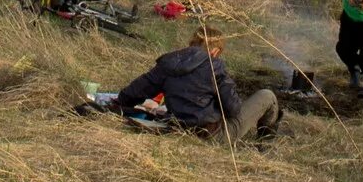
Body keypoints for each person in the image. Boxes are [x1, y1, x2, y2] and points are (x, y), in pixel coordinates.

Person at [114, 26, 280, 143]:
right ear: (215, 51)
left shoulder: (169, 62)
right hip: (211, 135)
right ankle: (265, 144)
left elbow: (133, 92)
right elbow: (234, 110)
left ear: (192, 42)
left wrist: (120, 103)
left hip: (178, 129)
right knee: (268, 96)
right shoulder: (215, 66)